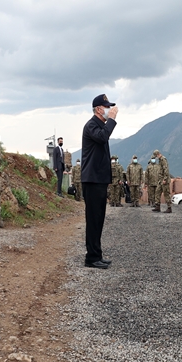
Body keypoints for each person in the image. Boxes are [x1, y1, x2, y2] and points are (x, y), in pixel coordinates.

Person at [80, 94, 118, 269]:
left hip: (99, 180)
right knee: (94, 219)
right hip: (92, 180)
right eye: (106, 107)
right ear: (98, 109)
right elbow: (103, 137)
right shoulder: (91, 126)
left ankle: (97, 254)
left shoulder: (99, 126)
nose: (109, 109)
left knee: (99, 218)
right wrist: (111, 120)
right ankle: (91, 258)